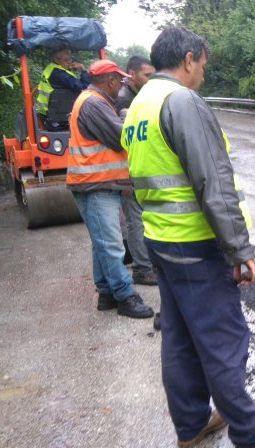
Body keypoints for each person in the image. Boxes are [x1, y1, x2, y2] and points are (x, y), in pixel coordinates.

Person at [122, 26, 255, 448]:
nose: (203, 73)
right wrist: (239, 251)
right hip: (195, 246)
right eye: (203, 65)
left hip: (161, 242)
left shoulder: (140, 104)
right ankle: (253, 434)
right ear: (188, 59)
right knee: (222, 339)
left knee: (180, 338)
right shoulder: (182, 102)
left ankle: (190, 423)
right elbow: (214, 185)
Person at [66, 59, 155, 319]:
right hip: (96, 185)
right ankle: (126, 296)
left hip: (97, 183)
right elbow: (121, 137)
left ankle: (106, 293)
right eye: (121, 80)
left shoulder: (94, 101)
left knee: (101, 243)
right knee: (112, 244)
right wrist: (131, 120)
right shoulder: (94, 103)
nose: (123, 85)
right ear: (111, 80)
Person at [114, 56, 158, 287]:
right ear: (131, 74)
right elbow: (127, 141)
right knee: (136, 221)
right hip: (129, 174)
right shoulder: (124, 101)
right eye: (147, 75)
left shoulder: (138, 96)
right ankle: (142, 269)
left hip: (137, 173)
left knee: (140, 220)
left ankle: (143, 261)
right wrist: (127, 176)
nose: (151, 80)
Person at [36, 48, 89, 117]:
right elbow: (84, 88)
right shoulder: (59, 74)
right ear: (56, 59)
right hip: (58, 115)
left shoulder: (51, 68)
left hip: (46, 111)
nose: (69, 62)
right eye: (66, 60)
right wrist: (83, 69)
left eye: (70, 59)